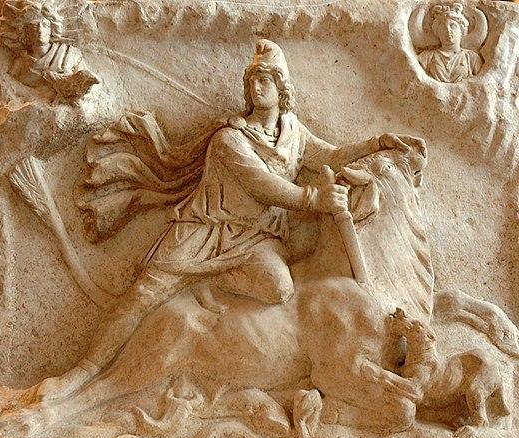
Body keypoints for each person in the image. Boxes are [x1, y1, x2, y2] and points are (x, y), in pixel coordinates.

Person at [36, 39, 425, 401]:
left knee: (279, 287)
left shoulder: (293, 133)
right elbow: (261, 184)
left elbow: (332, 156)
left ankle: (213, 284)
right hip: (206, 230)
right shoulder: (230, 138)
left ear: (282, 87)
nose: (257, 86)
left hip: (257, 237)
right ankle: (83, 370)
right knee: (143, 293)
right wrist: (314, 199)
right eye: (252, 79)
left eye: (266, 79)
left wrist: (376, 144)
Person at [2, 0, 98, 98]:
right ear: (25, 32)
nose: (40, 30)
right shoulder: (20, 64)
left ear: (52, 29)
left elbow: (84, 87)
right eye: (34, 26)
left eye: (45, 25)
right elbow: (14, 90)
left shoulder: (70, 55)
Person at [418, 3, 483, 83]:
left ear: (461, 30)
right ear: (437, 32)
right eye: (442, 27)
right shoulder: (426, 57)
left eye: (453, 26)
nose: (448, 30)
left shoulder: (471, 58)